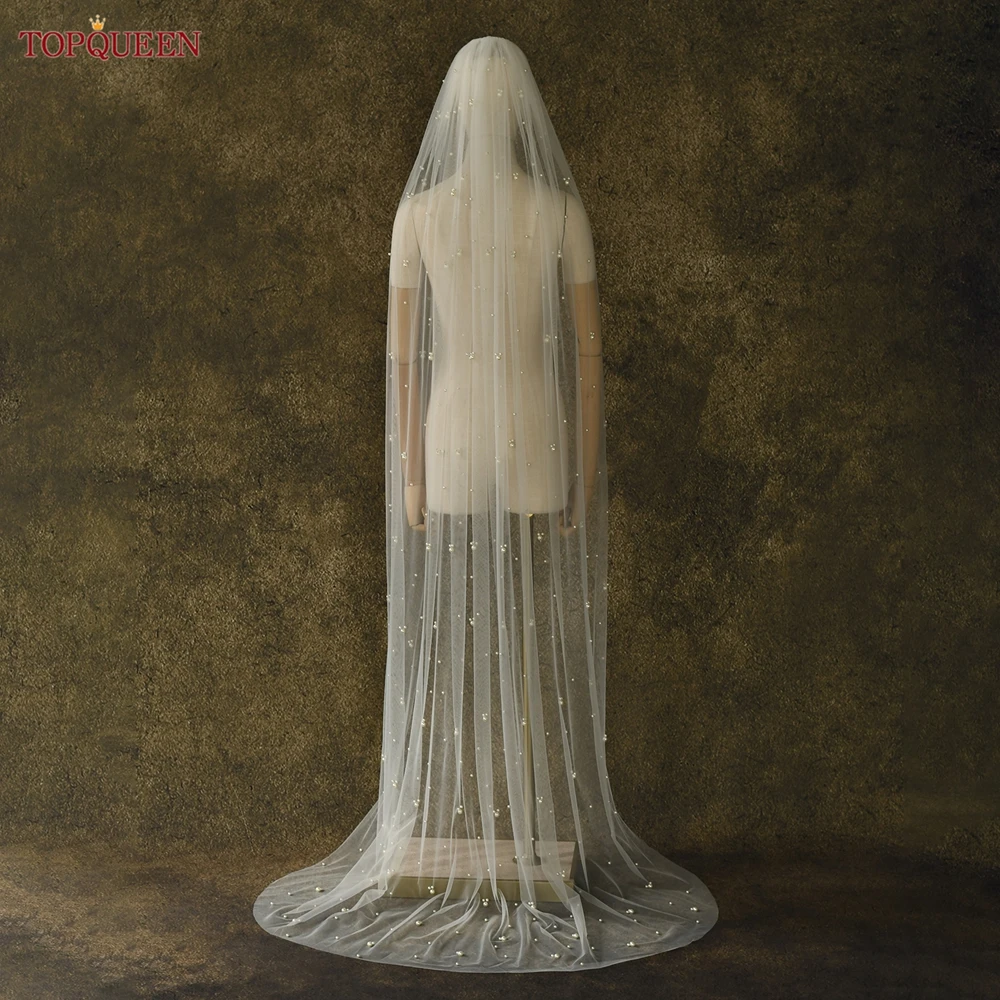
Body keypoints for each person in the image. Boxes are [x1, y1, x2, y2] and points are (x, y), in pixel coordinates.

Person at [253, 35, 719, 972]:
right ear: (522, 115)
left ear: (453, 114)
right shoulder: (558, 210)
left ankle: (499, 828)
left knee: (481, 623)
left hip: (455, 436)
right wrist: (581, 472)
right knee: (529, 629)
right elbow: (587, 363)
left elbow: (401, 363)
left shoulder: (420, 213)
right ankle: (515, 828)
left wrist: (412, 471)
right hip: (535, 435)